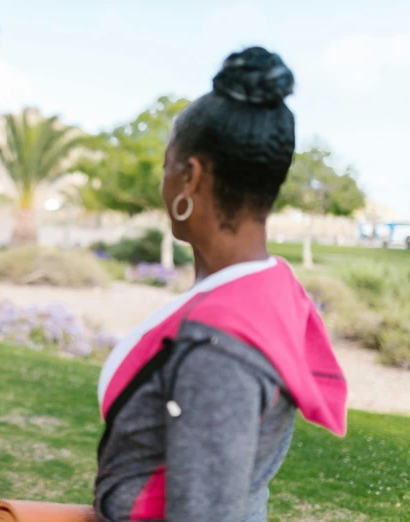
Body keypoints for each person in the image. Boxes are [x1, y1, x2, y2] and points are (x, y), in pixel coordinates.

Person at [94, 47, 347, 522]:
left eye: (167, 167)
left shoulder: (220, 346)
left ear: (189, 177)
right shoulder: (269, 287)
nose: (163, 184)